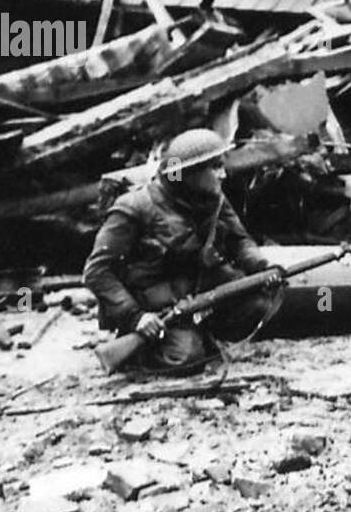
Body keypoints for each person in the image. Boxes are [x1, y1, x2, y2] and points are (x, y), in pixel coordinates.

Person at [83, 128, 280, 373]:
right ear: (188, 174)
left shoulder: (212, 198)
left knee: (258, 303)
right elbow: (97, 272)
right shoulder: (135, 207)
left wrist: (262, 268)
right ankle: (141, 350)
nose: (223, 174)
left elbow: (240, 242)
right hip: (156, 307)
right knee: (186, 358)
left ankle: (200, 332)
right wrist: (135, 317)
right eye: (214, 167)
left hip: (200, 295)